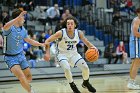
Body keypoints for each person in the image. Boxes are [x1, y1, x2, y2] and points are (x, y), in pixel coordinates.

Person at [44, 16, 97, 93]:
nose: (70, 25)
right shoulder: (61, 33)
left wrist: (94, 48)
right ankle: (72, 85)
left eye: (72, 24)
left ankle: (86, 83)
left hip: (74, 54)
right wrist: (47, 53)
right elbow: (47, 40)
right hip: (62, 54)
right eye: (68, 24)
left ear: (75, 25)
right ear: (66, 25)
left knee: (85, 68)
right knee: (66, 68)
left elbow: (87, 42)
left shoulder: (79, 33)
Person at [2, 9, 44, 93]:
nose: (24, 20)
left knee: (29, 77)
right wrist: (18, 18)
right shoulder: (9, 28)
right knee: (21, 76)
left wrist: (40, 44)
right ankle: (30, 91)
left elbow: (28, 40)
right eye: (23, 18)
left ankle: (27, 86)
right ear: (18, 18)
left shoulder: (23, 29)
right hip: (10, 58)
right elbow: (5, 26)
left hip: (21, 55)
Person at [128, 8, 140, 90]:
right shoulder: (137, 20)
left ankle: (131, 81)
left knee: (135, 63)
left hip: (136, 42)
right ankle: (131, 83)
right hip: (136, 42)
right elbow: (135, 33)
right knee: (136, 62)